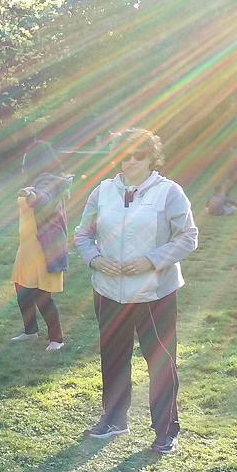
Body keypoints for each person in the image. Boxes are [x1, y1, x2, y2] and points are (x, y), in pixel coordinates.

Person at [75, 128, 198, 454]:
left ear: (151, 157)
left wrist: (151, 261)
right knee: (113, 358)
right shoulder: (102, 192)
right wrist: (96, 260)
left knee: (159, 360)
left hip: (153, 294)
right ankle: (114, 419)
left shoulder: (169, 192)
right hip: (109, 292)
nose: (130, 161)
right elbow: (83, 235)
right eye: (124, 155)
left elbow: (187, 236)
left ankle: (166, 430)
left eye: (138, 155)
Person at [10, 140, 69, 352]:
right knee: (22, 290)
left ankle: (57, 338)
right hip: (27, 245)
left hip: (42, 246)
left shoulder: (50, 181)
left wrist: (31, 195)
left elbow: (43, 197)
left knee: (42, 294)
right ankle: (30, 331)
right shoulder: (38, 180)